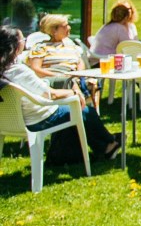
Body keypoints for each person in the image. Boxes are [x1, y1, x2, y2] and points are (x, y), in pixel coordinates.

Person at [0, 24, 119, 162]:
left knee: (72, 109)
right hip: (37, 118)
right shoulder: (19, 70)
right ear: (15, 46)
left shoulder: (6, 69)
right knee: (85, 110)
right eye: (23, 40)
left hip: (9, 120)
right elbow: (51, 95)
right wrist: (72, 93)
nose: (25, 43)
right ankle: (108, 145)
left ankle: (67, 154)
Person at [26, 13, 101, 108]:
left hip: (72, 77)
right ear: (54, 30)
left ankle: (90, 112)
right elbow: (35, 69)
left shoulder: (71, 46)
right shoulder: (41, 47)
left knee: (94, 82)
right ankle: (81, 110)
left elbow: (79, 62)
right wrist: (59, 75)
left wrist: (77, 74)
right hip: (51, 79)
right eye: (65, 26)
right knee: (69, 81)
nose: (69, 28)